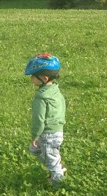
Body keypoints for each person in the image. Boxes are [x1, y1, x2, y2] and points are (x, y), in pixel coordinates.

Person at [25, 52, 67, 187]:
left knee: (49, 158)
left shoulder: (41, 98)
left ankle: (59, 185)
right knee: (35, 150)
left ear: (44, 77)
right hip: (58, 131)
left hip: (48, 134)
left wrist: (35, 136)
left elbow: (39, 120)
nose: (31, 78)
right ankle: (55, 164)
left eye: (34, 76)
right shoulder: (55, 91)